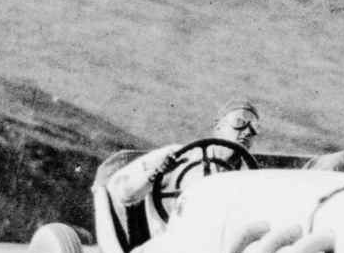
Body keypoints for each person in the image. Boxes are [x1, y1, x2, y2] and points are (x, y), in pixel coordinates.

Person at [106, 100, 260, 241]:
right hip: (168, 245)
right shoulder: (178, 156)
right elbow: (123, 193)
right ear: (218, 127)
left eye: (254, 128)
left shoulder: (249, 178)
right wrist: (153, 173)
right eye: (239, 122)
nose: (247, 132)